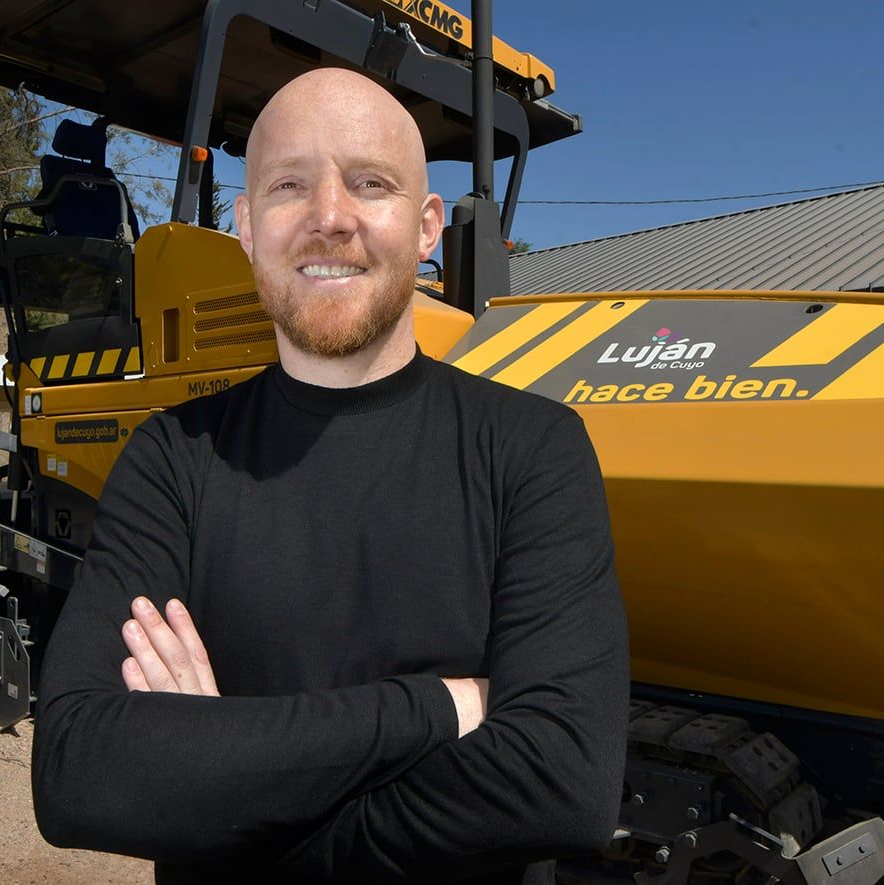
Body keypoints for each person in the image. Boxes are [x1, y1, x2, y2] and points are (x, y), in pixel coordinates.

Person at [31, 68, 629, 884]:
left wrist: (224, 778)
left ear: (424, 227)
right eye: (288, 186)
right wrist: (435, 707)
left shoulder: (532, 450)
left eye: (370, 183)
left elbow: (563, 783)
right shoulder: (172, 457)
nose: (330, 218)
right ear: (245, 226)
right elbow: (78, 773)